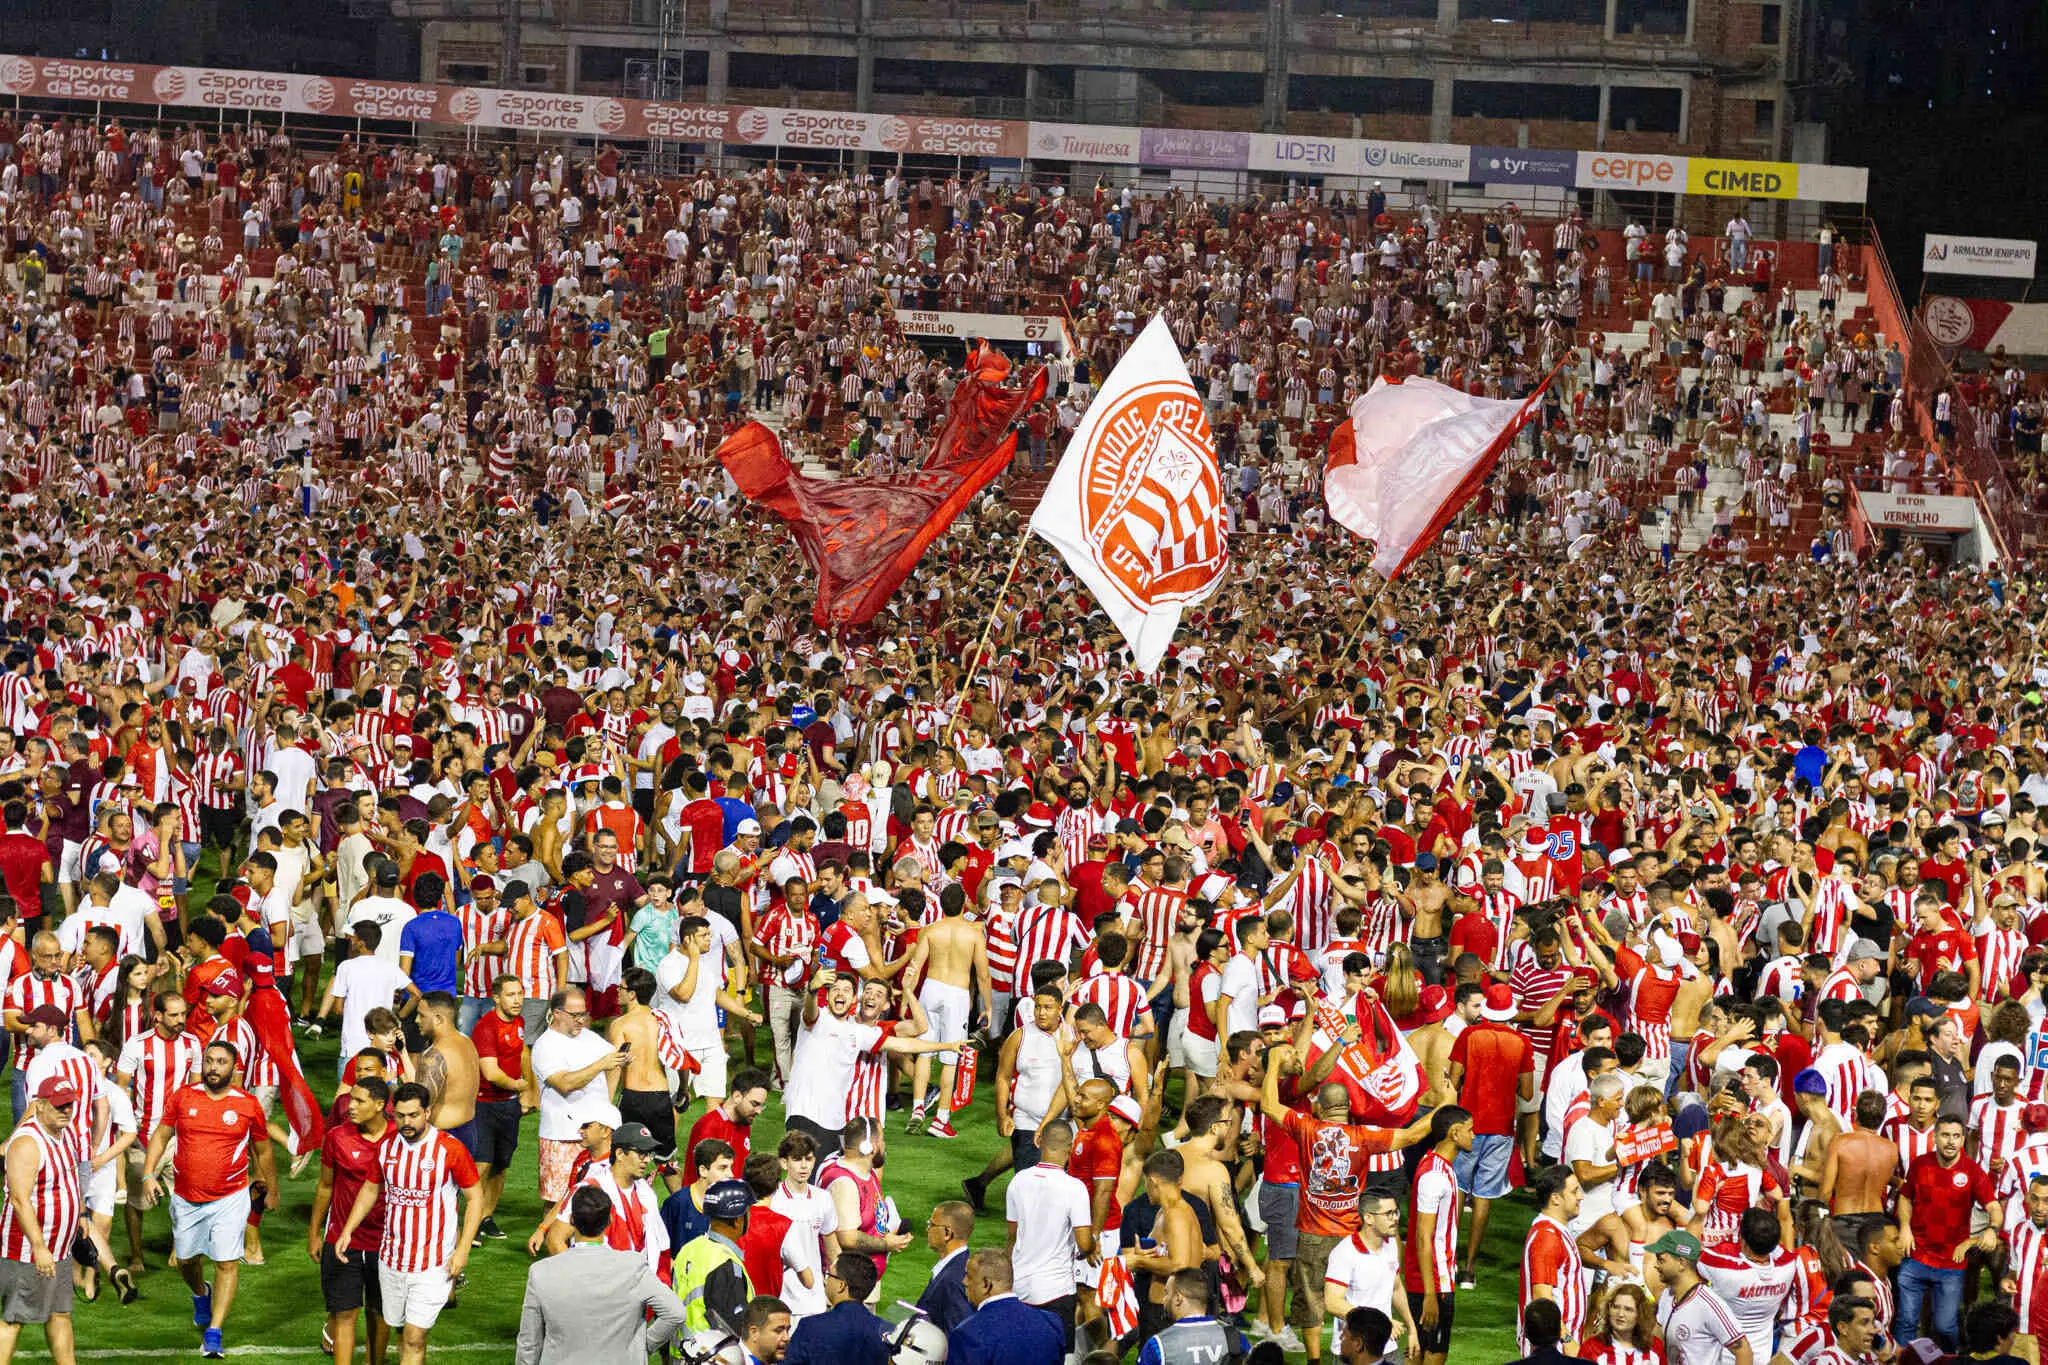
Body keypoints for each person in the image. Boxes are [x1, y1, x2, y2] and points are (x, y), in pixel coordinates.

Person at [139, 1039, 275, 1359]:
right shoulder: (184, 1097)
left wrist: (270, 1184)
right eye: (209, 1061)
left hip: (229, 1196)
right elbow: (161, 1134)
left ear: (234, 1068)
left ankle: (214, 1332)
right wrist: (148, 1174)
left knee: (226, 1262)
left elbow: (263, 1148)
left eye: (221, 1062)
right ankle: (201, 1294)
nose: (213, 1068)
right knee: (186, 1260)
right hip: (186, 1198)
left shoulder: (247, 1104)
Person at [336, 1081, 485, 1365]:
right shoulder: (388, 1147)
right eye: (401, 1115)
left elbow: (475, 1198)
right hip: (392, 1259)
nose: (406, 1122)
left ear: (427, 1112)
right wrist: (348, 1229)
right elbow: (371, 1187)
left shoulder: (449, 1149)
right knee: (403, 1332)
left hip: (433, 1261)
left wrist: (463, 1249)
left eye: (413, 1115)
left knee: (415, 1336)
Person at [514, 1185, 690, 1365]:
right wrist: (642, 1346)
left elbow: (529, 1343)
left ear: (572, 1220)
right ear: (609, 1221)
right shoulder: (633, 1266)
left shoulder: (542, 1272)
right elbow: (675, 1313)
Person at [1897, 1112, 2000, 1350]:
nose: (1951, 1141)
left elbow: (1993, 1207)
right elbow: (1905, 1198)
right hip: (1916, 1256)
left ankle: (1948, 1361)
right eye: (1945, 1135)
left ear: (1963, 1139)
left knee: (1945, 1327)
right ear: (1935, 1137)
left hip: (1951, 1263)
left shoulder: (1972, 1171)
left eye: (1956, 1136)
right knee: (1906, 1322)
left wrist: (1991, 1229)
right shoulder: (1920, 1164)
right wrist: (1905, 1228)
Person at [309, 1077, 393, 1365]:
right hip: (344, 1241)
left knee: (379, 1312)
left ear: (380, 1105)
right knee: (345, 1313)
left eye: (359, 1101)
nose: (350, 1107)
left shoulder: (399, 1138)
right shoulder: (337, 1137)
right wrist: (314, 1234)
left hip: (387, 1242)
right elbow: (325, 1186)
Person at [0, 1077, 83, 1365]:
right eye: (60, 1106)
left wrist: (80, 1218)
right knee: (13, 1317)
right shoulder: (26, 1142)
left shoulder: (63, 1132)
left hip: (58, 1248)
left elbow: (67, 1181)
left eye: (69, 1104)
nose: (66, 1111)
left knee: (60, 1313)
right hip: (28, 1250)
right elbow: (20, 1200)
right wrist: (39, 1247)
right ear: (40, 1105)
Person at [1004, 1118, 1097, 1349]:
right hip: (1057, 1291)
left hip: (1020, 1287)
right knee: (1057, 1356)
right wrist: (1093, 1245)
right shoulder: (1075, 1188)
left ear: (1040, 1142)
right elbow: (1084, 1244)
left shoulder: (1018, 1181)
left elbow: (1012, 1238)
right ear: (1071, 1147)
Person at [530, 986, 625, 1204]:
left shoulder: (589, 1037)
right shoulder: (546, 1046)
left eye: (584, 1013)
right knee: (559, 1201)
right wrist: (601, 1064)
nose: (581, 1020)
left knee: (598, 1198)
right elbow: (564, 1083)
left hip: (595, 1136)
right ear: (557, 1013)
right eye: (575, 1015)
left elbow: (615, 1061)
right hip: (562, 1136)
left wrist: (606, 1104)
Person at [1649, 1230, 1751, 1365]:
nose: (1656, 1265)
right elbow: (1658, 1337)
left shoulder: (1709, 1305)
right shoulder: (1667, 1295)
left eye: (1661, 1260)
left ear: (1681, 1263)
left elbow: (1744, 1352)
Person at [951, 1249, 1067, 1365]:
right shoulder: (1051, 1322)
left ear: (986, 1284)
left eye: (969, 1276)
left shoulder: (967, 1334)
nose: (964, 1281)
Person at [673, 1179, 756, 1338]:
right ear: (738, 1220)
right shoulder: (725, 1263)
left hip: (681, 1353)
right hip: (713, 1357)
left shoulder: (688, 1249)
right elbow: (733, 1327)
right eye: (748, 1212)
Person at [783, 1252, 889, 1365]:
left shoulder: (810, 1326)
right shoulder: (884, 1332)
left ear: (841, 1286)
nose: (826, 1281)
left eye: (829, 1275)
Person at [1135, 1268, 1244, 1365]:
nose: (1164, 1299)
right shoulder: (1236, 1337)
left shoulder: (1158, 1345)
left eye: (1167, 1293)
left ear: (1178, 1299)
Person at [915, 1200, 976, 1335]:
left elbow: (957, 1335)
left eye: (931, 1225)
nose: (927, 1229)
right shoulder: (957, 1266)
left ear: (947, 1233)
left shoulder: (954, 1279)